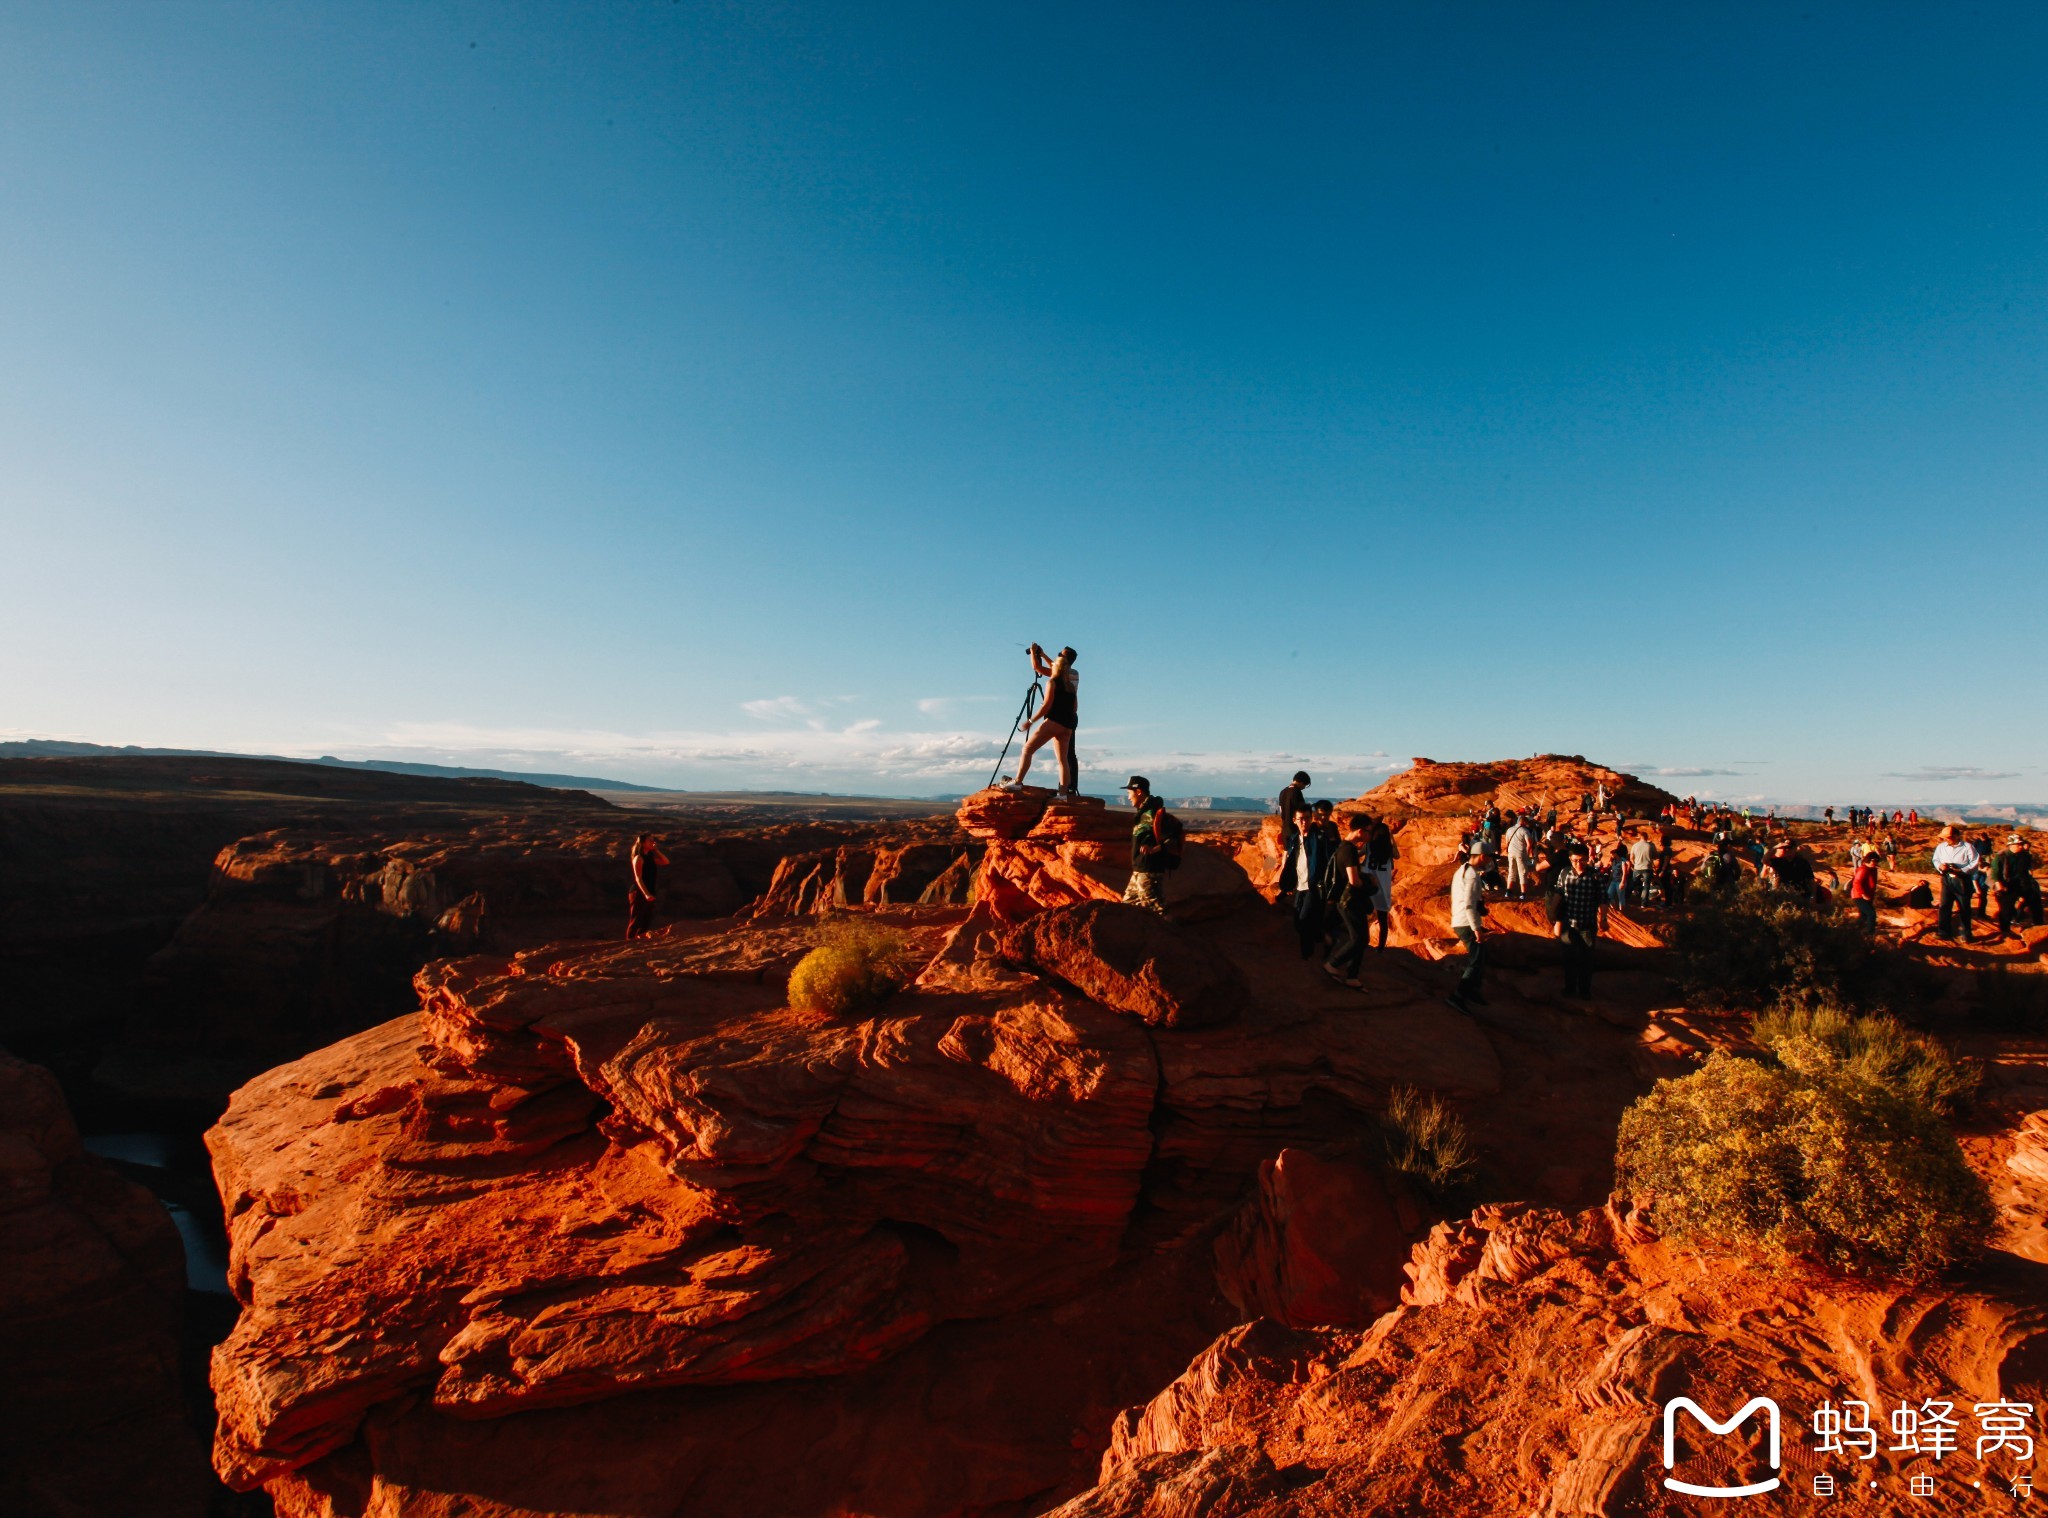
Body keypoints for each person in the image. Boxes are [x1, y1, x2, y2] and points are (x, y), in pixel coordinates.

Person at [1007, 643, 1080, 797]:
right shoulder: (1072, 681)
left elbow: (1046, 704)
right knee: (1063, 760)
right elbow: (1075, 708)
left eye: (1059, 655)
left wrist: (1031, 721)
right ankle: (1063, 794)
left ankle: (1018, 782)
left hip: (1054, 720)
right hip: (1069, 723)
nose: (1057, 656)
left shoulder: (1052, 682)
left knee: (1027, 749)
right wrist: (1043, 654)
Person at [1323, 812, 1380, 985]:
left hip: (1348, 900)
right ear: (1360, 831)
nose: (1370, 836)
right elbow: (1353, 881)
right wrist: (1372, 886)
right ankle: (1332, 964)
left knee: (1361, 938)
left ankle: (1352, 976)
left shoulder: (1344, 846)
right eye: (1369, 832)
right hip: (1349, 902)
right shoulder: (1349, 850)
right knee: (1359, 939)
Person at [1555, 841, 1606, 999]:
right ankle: (1570, 988)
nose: (1579, 863)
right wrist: (1557, 921)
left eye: (1582, 860)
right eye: (1575, 860)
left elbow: (1603, 899)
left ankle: (1584, 991)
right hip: (1568, 923)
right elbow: (1559, 899)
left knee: (1586, 960)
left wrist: (1603, 918)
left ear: (1587, 859)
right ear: (1570, 859)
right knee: (1568, 958)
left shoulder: (1595, 876)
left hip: (1587, 924)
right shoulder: (1564, 873)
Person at [1447, 846, 1489, 1012]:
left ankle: (1472, 990)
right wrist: (1477, 928)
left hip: (1460, 919)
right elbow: (1469, 905)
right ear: (1482, 856)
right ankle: (1457, 996)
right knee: (1476, 961)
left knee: (1481, 955)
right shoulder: (1472, 876)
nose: (1491, 860)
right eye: (1490, 857)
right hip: (1466, 922)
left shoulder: (1462, 870)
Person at [1122, 776, 1170, 914]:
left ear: (1138, 792)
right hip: (1139, 869)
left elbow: (1171, 838)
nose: (1128, 797)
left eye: (1129, 793)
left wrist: (1155, 849)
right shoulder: (1143, 812)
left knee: (1157, 911)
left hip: (1149, 870)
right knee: (1127, 907)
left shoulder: (1154, 811)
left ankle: (1171, 934)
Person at [1932, 825, 1980, 942]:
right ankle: (1943, 932)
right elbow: (1935, 859)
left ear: (1956, 835)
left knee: (1964, 907)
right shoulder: (1941, 847)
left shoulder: (1968, 847)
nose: (1946, 839)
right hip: (1946, 879)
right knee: (1944, 906)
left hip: (1962, 880)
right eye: (1945, 837)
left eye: (1949, 837)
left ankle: (1966, 934)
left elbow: (1974, 863)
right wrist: (1940, 866)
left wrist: (1960, 870)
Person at [1991, 834, 2042, 940]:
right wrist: (1998, 883)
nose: (2021, 846)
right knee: (2006, 908)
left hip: (2022, 883)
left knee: (2035, 901)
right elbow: (1995, 871)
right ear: (2011, 845)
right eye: (2018, 844)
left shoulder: (2025, 855)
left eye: (2021, 844)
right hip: (2007, 884)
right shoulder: (2001, 856)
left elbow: (2027, 870)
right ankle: (2005, 930)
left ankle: (2039, 923)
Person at [626, 834, 670, 941]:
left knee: (646, 919)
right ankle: (629, 942)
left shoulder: (650, 858)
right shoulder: (638, 858)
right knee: (636, 920)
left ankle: (641, 940)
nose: (652, 842)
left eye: (653, 840)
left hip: (650, 891)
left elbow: (666, 861)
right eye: (649, 841)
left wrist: (656, 850)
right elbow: (638, 878)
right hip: (638, 892)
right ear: (642, 843)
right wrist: (646, 894)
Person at [1275, 772, 1313, 895]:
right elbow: (1301, 810)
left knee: (1286, 854)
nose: (1304, 787)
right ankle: (1291, 883)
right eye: (1305, 785)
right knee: (1296, 856)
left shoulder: (1283, 791)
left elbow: (1282, 811)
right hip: (1295, 828)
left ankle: (1284, 881)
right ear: (1301, 782)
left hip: (1285, 827)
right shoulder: (1296, 792)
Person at [1364, 818, 1397, 949]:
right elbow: (1397, 855)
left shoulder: (1369, 846)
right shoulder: (1389, 850)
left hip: (1369, 886)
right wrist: (1392, 839)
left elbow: (1358, 854)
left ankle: (1364, 944)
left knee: (1364, 917)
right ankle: (1381, 947)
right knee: (1383, 920)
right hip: (1383, 889)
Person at [1848, 845, 1881, 937]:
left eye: (1877, 861)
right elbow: (1857, 883)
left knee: (1863, 916)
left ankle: (1853, 931)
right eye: (1874, 861)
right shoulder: (1863, 870)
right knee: (1871, 913)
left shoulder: (1873, 869)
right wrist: (1863, 894)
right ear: (1868, 860)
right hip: (1859, 895)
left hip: (1867, 895)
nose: (1875, 863)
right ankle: (1870, 934)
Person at [1503, 811, 1536, 900]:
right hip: (1520, 853)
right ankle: (1523, 893)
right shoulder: (1525, 831)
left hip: (1511, 853)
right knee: (1522, 873)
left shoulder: (1509, 830)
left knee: (1511, 872)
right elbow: (1529, 844)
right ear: (1524, 822)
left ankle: (1508, 892)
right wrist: (1528, 854)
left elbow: (1506, 843)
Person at [1627, 828, 1656, 907]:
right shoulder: (1650, 846)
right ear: (1646, 837)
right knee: (1646, 886)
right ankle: (1643, 903)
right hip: (1647, 868)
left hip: (1637, 867)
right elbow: (1655, 856)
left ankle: (1625, 899)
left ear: (1640, 837)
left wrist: (1634, 864)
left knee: (1632, 884)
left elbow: (1631, 858)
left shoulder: (1635, 845)